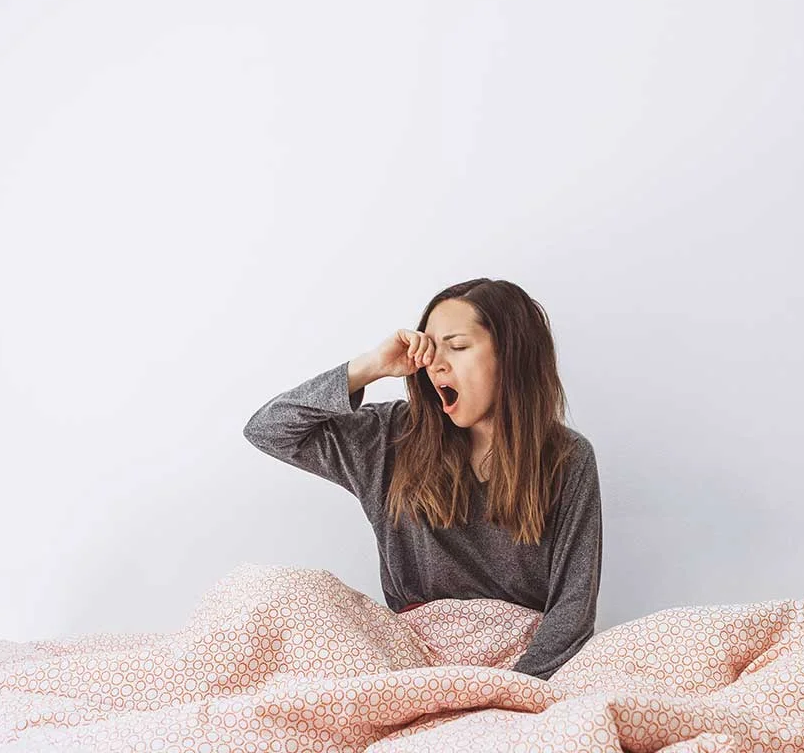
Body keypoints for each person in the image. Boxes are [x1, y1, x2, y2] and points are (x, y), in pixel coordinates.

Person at [242, 278, 602, 680]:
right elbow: (268, 429)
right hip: (412, 660)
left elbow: (574, 607)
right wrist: (369, 367)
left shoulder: (568, 457)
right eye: (431, 349)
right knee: (273, 589)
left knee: (677, 637)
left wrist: (513, 689)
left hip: (524, 663)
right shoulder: (390, 437)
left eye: (459, 346)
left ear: (512, 355)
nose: (437, 364)